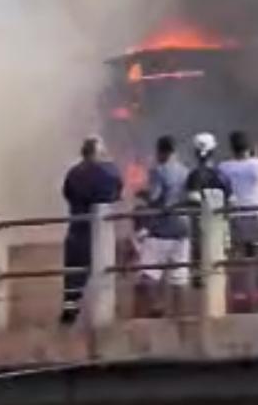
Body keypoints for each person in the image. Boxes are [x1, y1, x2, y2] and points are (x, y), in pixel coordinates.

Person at [60, 136, 123, 325]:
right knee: (101, 273)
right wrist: (109, 164)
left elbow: (67, 193)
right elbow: (116, 191)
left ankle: (69, 313)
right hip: (97, 234)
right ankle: (100, 318)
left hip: (76, 230)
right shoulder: (105, 172)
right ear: (96, 153)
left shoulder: (72, 173)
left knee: (74, 275)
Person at [134, 135, 191, 318]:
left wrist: (142, 194)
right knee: (179, 277)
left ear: (161, 152)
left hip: (161, 228)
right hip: (182, 228)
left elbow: (155, 197)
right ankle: (181, 317)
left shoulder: (158, 171)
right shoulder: (185, 171)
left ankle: (157, 306)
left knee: (147, 275)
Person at [218, 130, 258, 308]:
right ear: (250, 147)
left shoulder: (223, 167)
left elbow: (221, 193)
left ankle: (240, 298)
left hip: (235, 217)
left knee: (238, 258)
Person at [185, 132, 231, 290]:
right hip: (220, 225)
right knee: (218, 264)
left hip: (198, 227)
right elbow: (231, 201)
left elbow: (192, 201)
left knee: (198, 265)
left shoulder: (193, 176)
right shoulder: (222, 175)